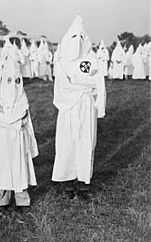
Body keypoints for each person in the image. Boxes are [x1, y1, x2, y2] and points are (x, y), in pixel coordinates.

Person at [52, 15, 106, 200]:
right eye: (75, 37)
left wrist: (99, 104)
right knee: (67, 143)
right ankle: (67, 184)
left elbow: (98, 82)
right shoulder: (62, 58)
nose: (78, 42)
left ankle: (83, 184)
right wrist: (84, 86)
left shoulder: (91, 57)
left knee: (86, 141)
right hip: (69, 107)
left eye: (81, 37)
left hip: (86, 106)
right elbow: (62, 84)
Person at [0, 49, 38, 212]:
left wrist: (9, 119)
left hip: (19, 142)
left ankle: (22, 199)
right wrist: (14, 122)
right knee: (4, 168)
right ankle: (3, 199)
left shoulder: (22, 99)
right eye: (9, 80)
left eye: (17, 81)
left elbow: (22, 119)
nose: (13, 85)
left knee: (19, 167)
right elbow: (0, 121)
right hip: (3, 141)